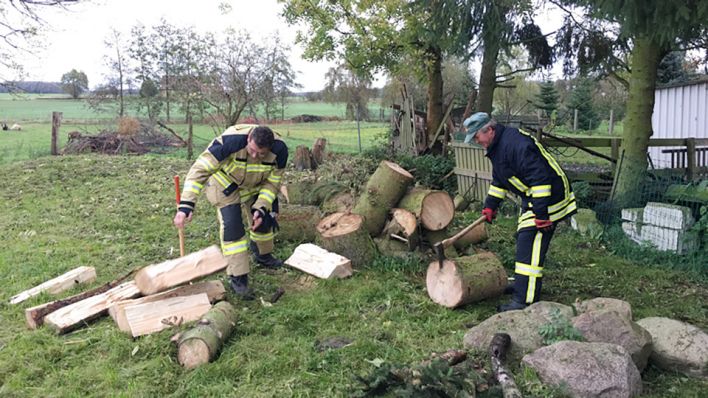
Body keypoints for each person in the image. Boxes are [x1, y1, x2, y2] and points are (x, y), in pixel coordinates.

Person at [463, 112, 577, 312]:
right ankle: (522, 284)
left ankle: (525, 300)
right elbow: (500, 179)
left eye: (476, 137)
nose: (476, 141)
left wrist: (541, 216)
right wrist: (491, 205)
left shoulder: (516, 145)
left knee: (530, 241)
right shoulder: (497, 147)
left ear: (489, 130)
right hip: (533, 197)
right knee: (525, 240)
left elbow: (541, 180)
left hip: (550, 197)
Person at [174, 124, 288, 299]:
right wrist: (186, 205)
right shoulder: (228, 143)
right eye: (252, 150)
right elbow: (198, 172)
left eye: (261, 154)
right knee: (233, 229)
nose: (255, 156)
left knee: (265, 219)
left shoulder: (280, 151)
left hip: (255, 186)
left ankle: (263, 255)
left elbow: (273, 183)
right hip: (225, 186)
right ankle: (238, 276)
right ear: (248, 138)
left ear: (270, 148)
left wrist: (261, 207)